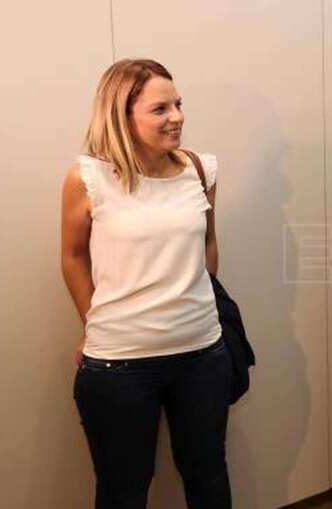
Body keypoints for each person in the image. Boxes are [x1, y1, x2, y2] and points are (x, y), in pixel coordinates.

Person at [60, 59, 232, 509]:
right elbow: (73, 257)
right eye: (160, 109)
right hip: (120, 365)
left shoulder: (199, 168)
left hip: (202, 355)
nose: (176, 116)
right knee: (123, 490)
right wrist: (96, 322)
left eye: (178, 104)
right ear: (122, 115)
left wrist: (193, 299)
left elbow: (208, 245)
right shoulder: (88, 178)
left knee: (209, 477)